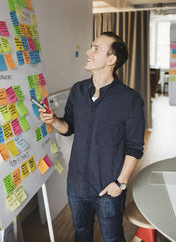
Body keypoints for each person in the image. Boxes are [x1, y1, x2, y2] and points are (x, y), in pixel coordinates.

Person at [39, 31, 145, 242]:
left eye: (96, 49)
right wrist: (53, 120)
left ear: (111, 60)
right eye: (91, 47)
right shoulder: (78, 91)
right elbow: (69, 127)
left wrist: (120, 184)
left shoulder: (130, 100)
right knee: (82, 232)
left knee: (113, 237)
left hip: (108, 186)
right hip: (76, 184)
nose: (89, 52)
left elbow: (134, 148)